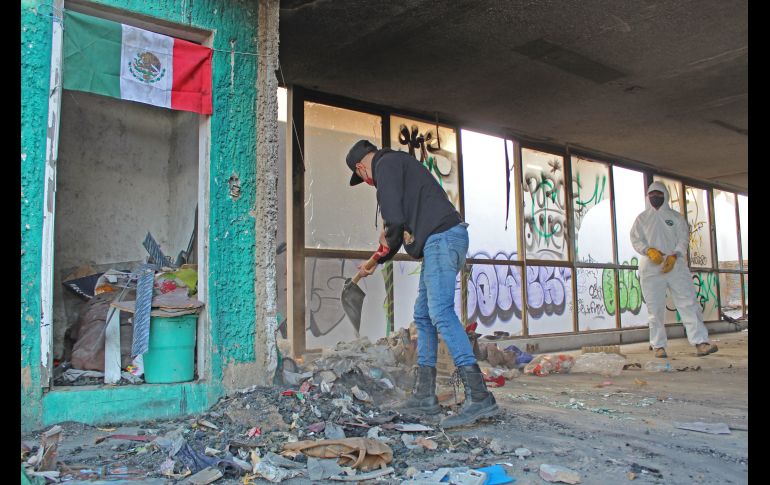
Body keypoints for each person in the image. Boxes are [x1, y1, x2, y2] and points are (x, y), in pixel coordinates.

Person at [344, 139, 498, 428]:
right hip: (440, 241)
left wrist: (384, 247)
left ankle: (479, 396)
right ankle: (424, 395)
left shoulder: (385, 165)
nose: (367, 182)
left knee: (440, 312)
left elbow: (394, 220)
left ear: (361, 167)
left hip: (442, 239)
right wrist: (378, 258)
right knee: (424, 316)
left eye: (362, 177)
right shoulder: (398, 165)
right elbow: (398, 226)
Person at [630, 181, 718, 358]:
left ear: (666, 196)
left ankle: (701, 342)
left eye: (659, 194)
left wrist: (675, 255)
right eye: (652, 194)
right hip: (651, 267)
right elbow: (635, 239)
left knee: (688, 303)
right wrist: (648, 250)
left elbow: (683, 239)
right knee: (655, 308)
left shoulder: (676, 218)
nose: (655, 197)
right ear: (648, 197)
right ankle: (658, 346)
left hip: (675, 265)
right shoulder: (642, 219)